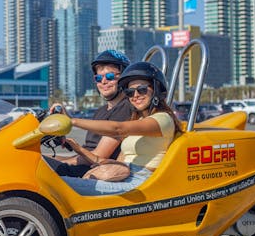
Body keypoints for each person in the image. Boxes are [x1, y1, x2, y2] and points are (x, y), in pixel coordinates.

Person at [62, 61, 182, 195]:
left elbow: (118, 128)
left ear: (156, 90)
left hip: (140, 183)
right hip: (123, 176)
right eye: (130, 92)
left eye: (141, 89)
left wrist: (71, 121)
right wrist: (78, 148)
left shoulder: (163, 119)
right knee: (55, 180)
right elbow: (112, 163)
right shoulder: (139, 121)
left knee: (61, 185)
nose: (135, 95)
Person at [44, 50, 132, 177]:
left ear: (124, 78)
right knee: (31, 158)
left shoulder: (125, 108)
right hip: (83, 164)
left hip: (95, 171)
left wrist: (58, 161)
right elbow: (86, 152)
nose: (103, 82)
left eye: (110, 77)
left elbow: (99, 156)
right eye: (98, 78)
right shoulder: (101, 111)